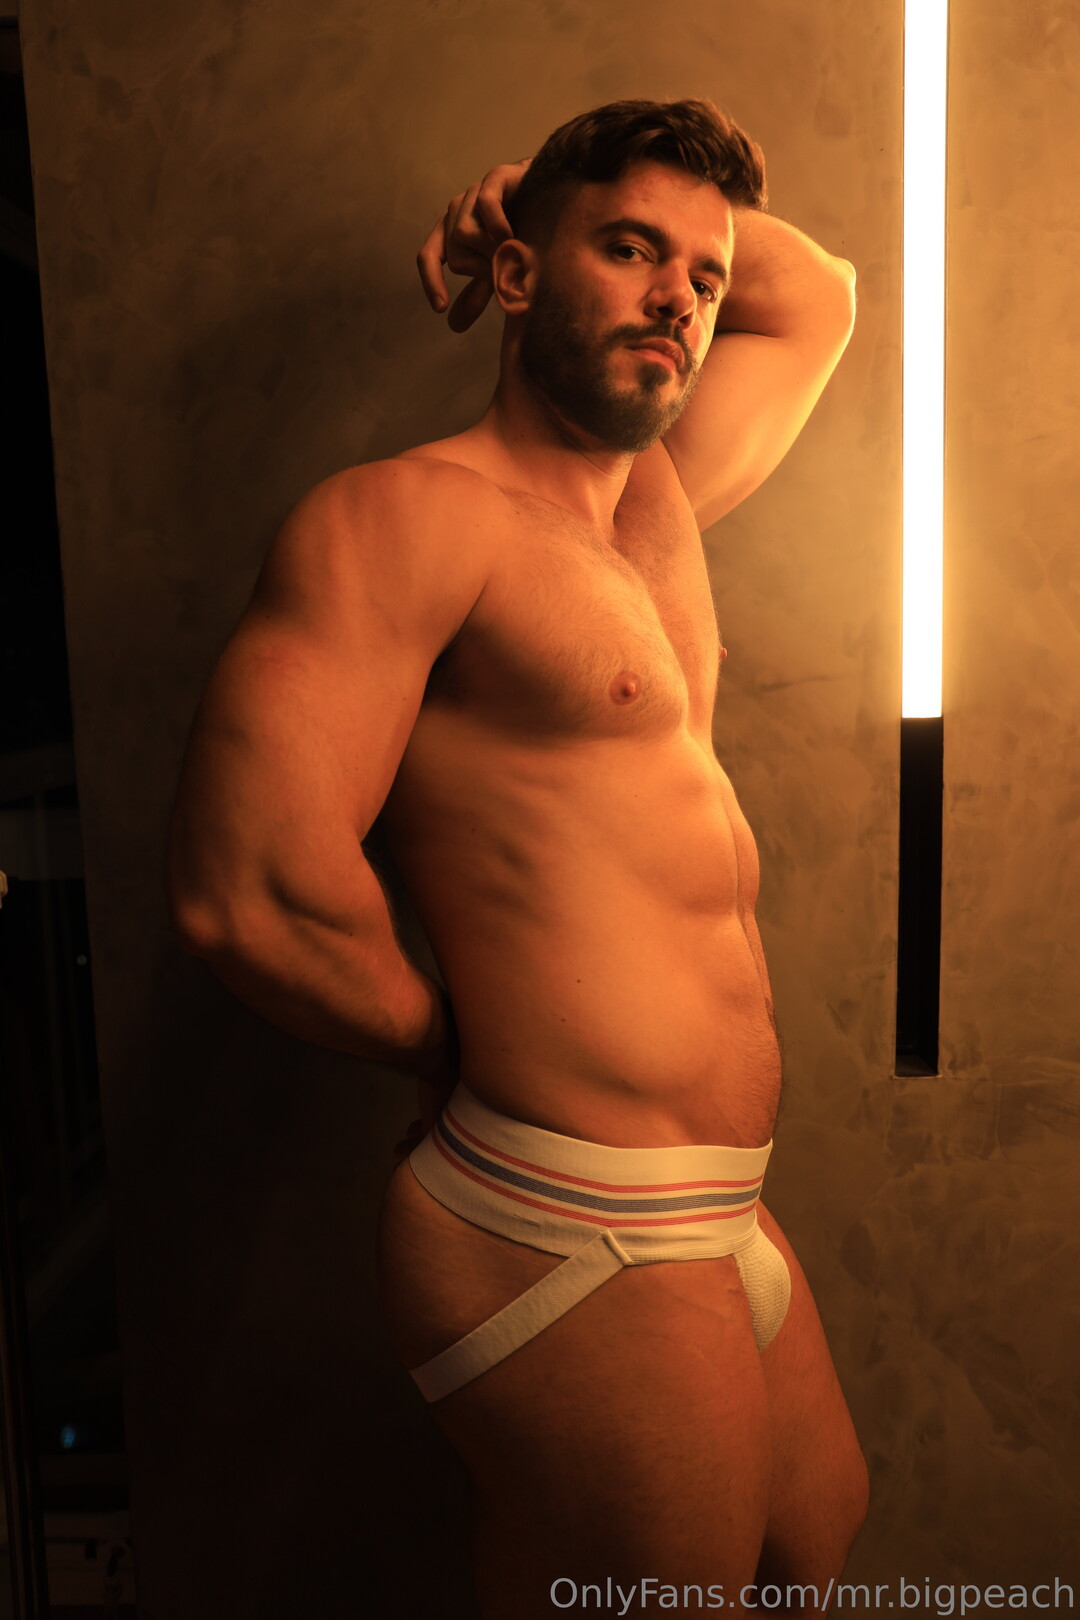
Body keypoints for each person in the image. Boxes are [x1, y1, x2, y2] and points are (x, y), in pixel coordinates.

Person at [168, 98, 866, 1617]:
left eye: (700, 273)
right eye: (627, 250)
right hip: (563, 1212)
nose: (680, 297)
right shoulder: (405, 519)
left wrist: (536, 198)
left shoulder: (658, 510)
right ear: (517, 276)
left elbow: (818, 293)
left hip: (713, 1200)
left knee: (807, 1553)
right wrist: (446, 1044)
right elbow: (247, 891)